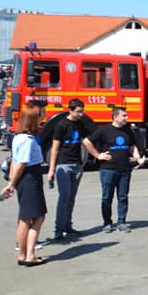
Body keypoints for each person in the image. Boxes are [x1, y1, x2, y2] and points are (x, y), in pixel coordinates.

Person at [83, 106, 144, 233]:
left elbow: (132, 146)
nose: (127, 118)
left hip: (125, 169)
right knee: (107, 197)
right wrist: (98, 155)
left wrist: (137, 158)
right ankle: (107, 223)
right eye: (124, 115)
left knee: (123, 197)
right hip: (108, 169)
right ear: (116, 117)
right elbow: (87, 142)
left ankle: (121, 222)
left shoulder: (128, 130)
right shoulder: (104, 130)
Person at [0, 107, 48, 266]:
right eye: (41, 115)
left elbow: (14, 161)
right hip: (30, 178)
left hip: (24, 179)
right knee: (35, 217)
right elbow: (21, 164)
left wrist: (11, 183)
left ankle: (24, 254)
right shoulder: (27, 140)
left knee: (27, 217)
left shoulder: (18, 137)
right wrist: (12, 183)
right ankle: (29, 255)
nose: (43, 118)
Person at [47, 99, 94, 241]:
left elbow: (85, 141)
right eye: (79, 111)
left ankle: (67, 226)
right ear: (70, 110)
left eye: (82, 111)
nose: (81, 114)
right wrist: (51, 170)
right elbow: (55, 149)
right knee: (64, 197)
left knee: (71, 198)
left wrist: (97, 154)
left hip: (77, 165)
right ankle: (58, 230)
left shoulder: (80, 124)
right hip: (64, 165)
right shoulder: (61, 125)